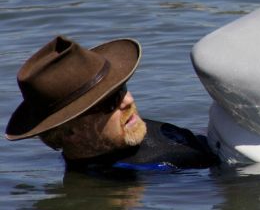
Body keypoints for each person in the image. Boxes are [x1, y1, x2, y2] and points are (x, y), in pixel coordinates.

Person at [5, 35, 219, 173]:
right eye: (109, 102)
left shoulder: (124, 132)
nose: (127, 100)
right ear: (69, 132)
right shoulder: (128, 177)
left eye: (121, 89)